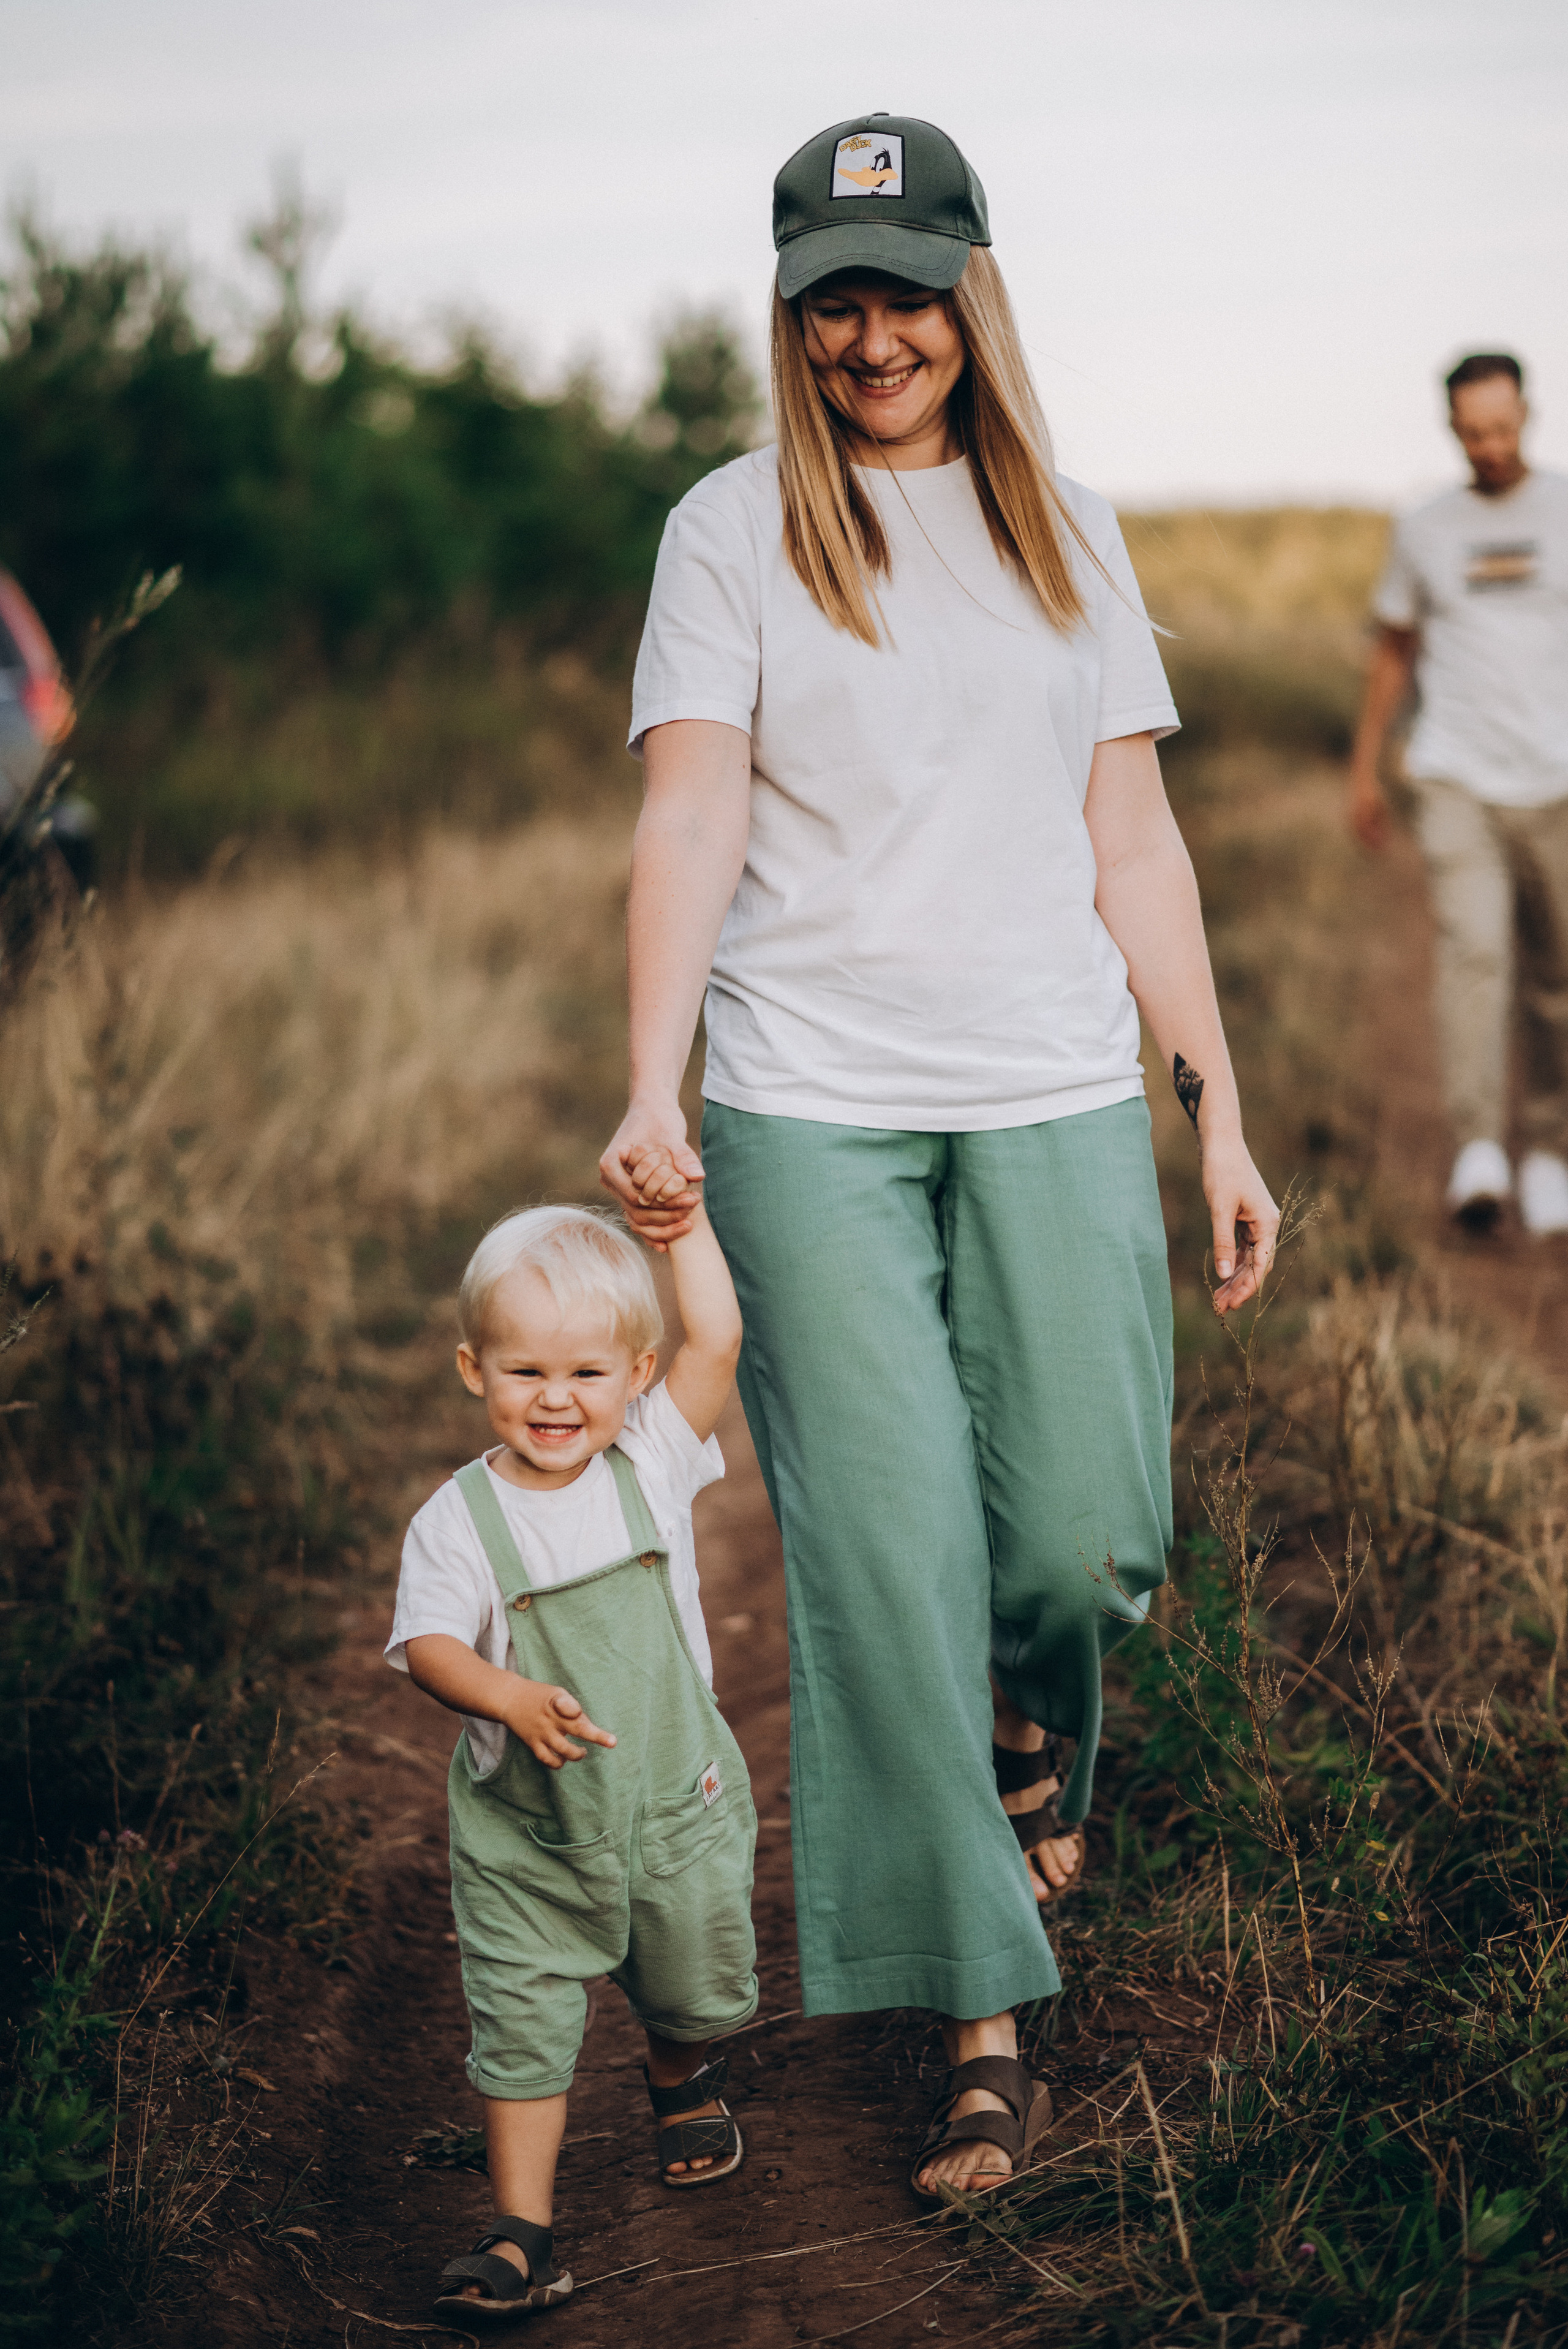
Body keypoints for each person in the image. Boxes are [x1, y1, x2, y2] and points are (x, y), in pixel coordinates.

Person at [600, 110, 1276, 2202]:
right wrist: (658, 1079)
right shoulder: (731, 534)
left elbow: (1133, 837)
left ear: (972, 288)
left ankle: (1040, 1708)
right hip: (811, 1100)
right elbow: (694, 815)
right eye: (829, 298)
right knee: (878, 1557)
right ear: (789, 315)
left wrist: (1216, 1097)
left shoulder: (1068, 527)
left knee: (1075, 1529)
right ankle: (983, 2012)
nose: (869, 333)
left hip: (1057, 1082)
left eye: (901, 289)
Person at [388, 1200, 756, 2322]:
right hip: (527, 1833)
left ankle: (678, 2070)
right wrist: (506, 1691)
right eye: (526, 1370)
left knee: (693, 1972)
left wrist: (684, 1222)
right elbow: (431, 1646)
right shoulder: (458, 1520)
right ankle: (520, 2229)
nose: (557, 1398)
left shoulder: (651, 1455)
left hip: (667, 1798)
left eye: (589, 1371)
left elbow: (723, 1338)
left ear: (639, 1373)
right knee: (521, 2018)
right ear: (473, 1368)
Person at [1349, 352, 1568, 1235]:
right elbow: (1394, 649)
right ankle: (1479, 1149)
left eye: (1504, 426)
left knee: (1557, 978)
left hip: (1557, 783)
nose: (1491, 444)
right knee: (1476, 953)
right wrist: (1366, 765)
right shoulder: (1425, 528)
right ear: (1453, 430)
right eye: (1474, 431)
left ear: (1528, 413)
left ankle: (1550, 1150)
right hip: (1457, 778)